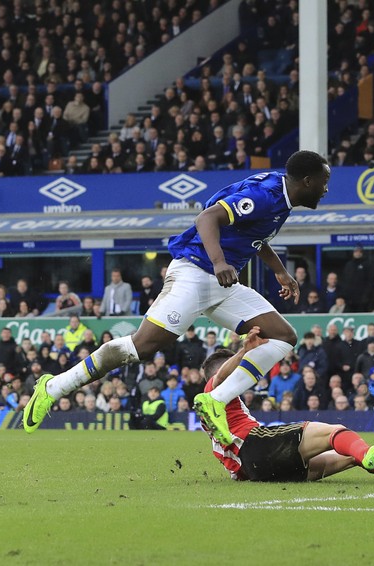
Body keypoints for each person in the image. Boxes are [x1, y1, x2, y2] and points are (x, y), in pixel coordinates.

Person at [23, 151, 330, 447]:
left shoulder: (280, 195)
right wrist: (220, 261)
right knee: (141, 347)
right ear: (306, 181)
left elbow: (256, 237)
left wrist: (280, 271)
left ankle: (215, 401)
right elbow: (207, 218)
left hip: (223, 282)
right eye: (323, 182)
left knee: (283, 336)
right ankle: (54, 386)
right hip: (195, 273)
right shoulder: (266, 195)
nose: (326, 189)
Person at [201, 327, 374, 482]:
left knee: (354, 455)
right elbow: (221, 375)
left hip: (255, 472)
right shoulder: (214, 389)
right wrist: (243, 351)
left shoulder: (213, 411)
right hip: (256, 445)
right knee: (337, 433)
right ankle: (369, 453)